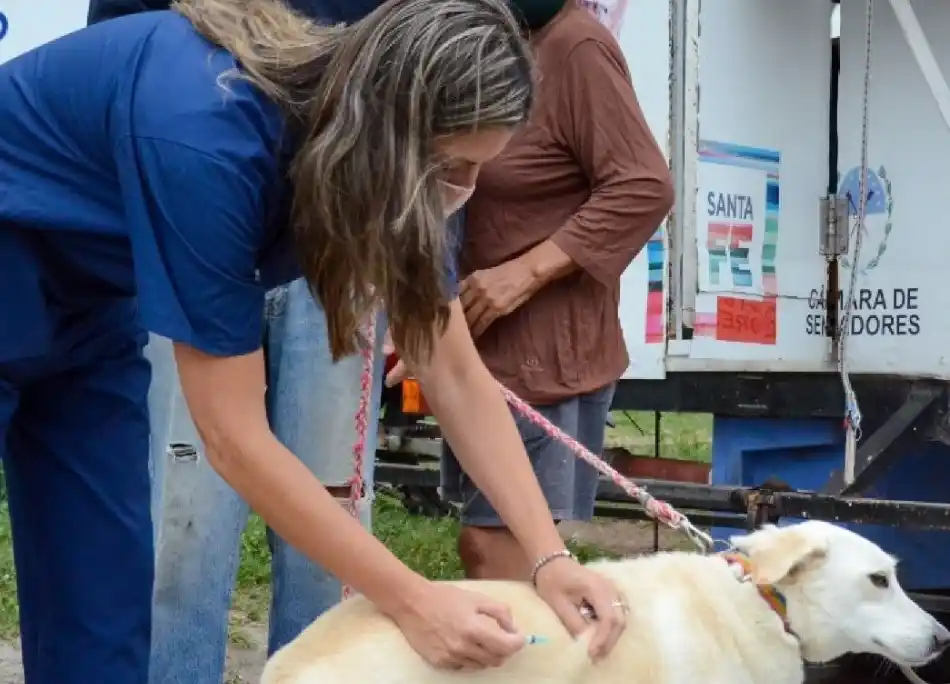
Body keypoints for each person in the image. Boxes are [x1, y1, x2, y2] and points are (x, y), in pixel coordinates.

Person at [0, 1, 627, 682]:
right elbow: (233, 437)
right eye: (452, 168)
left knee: (102, 604)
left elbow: (450, 367)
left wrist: (548, 559)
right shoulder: (207, 131)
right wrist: (413, 600)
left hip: (87, 311)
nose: (461, 191)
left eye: (480, 170)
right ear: (386, 136)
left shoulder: (397, 160)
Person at [85, 1, 387, 682]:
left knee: (332, 522)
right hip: (196, 197)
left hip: (333, 218)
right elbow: (121, 52)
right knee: (183, 525)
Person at [440, 0, 675, 580]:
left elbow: (643, 185)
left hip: (542, 351)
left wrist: (523, 273)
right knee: (489, 550)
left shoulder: (576, 47)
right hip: (478, 344)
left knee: (498, 552)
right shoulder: (492, 36)